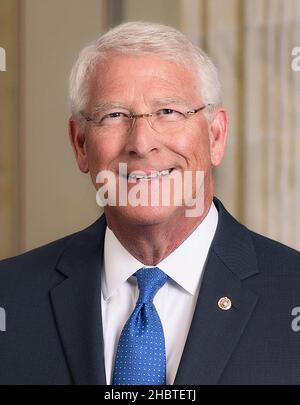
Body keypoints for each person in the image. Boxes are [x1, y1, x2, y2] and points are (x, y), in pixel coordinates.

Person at [0, 21, 300, 385]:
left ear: (215, 135)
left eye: (168, 112)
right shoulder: (10, 297)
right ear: (80, 144)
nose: (141, 144)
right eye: (114, 116)